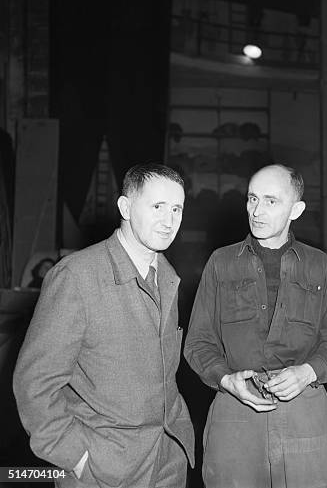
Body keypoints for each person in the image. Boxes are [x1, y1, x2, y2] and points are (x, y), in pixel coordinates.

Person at [13, 164, 195, 487]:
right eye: (157, 207)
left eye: (176, 209)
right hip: (102, 470)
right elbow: (34, 385)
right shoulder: (77, 277)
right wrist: (78, 458)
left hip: (166, 464)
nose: (169, 221)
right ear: (125, 207)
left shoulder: (167, 278)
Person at [184, 164, 327, 488]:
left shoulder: (320, 266)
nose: (257, 211)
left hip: (305, 409)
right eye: (252, 199)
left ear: (296, 209)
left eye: (271, 201)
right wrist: (226, 379)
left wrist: (308, 372)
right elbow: (198, 342)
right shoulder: (221, 262)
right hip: (236, 409)